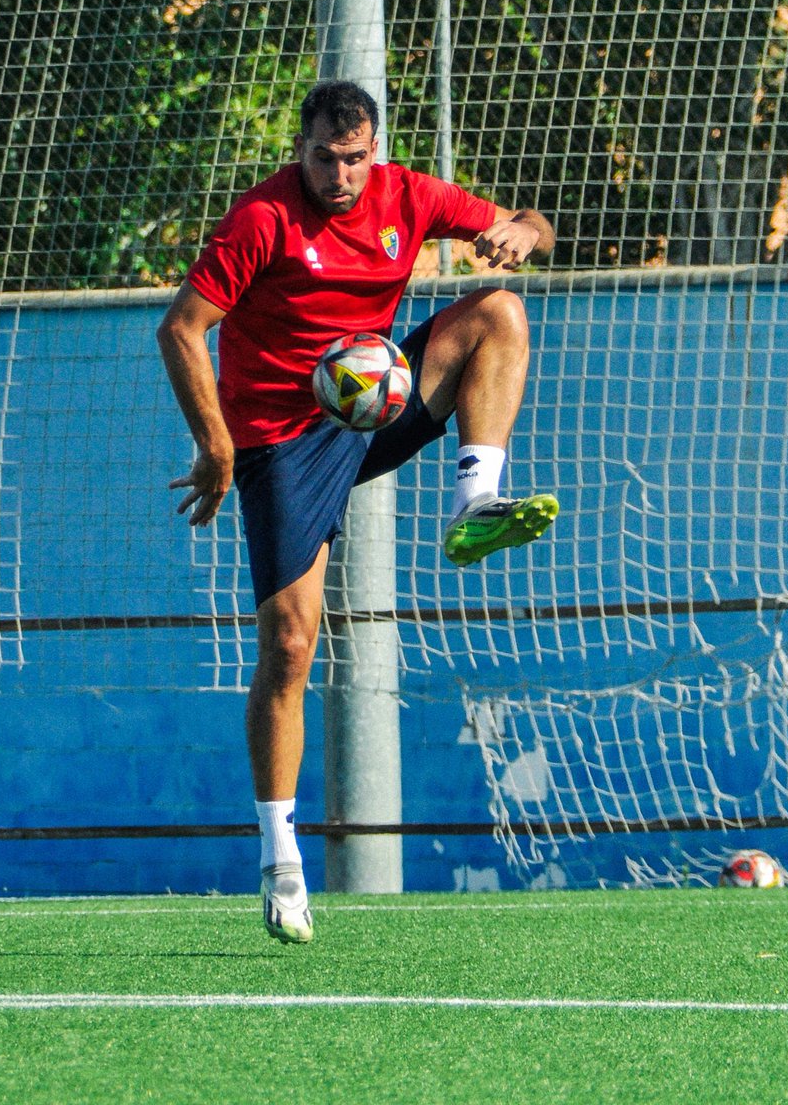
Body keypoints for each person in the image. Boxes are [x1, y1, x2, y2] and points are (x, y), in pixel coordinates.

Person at [157, 81, 557, 943]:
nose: (341, 175)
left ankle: (477, 501)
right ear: (298, 149)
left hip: (369, 407)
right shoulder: (261, 221)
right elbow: (181, 330)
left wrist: (523, 230)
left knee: (499, 311)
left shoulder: (406, 195)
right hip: (279, 442)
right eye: (325, 158)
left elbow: (528, 222)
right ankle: (280, 856)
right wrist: (218, 447)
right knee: (291, 645)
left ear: (374, 151)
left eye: (356, 158)